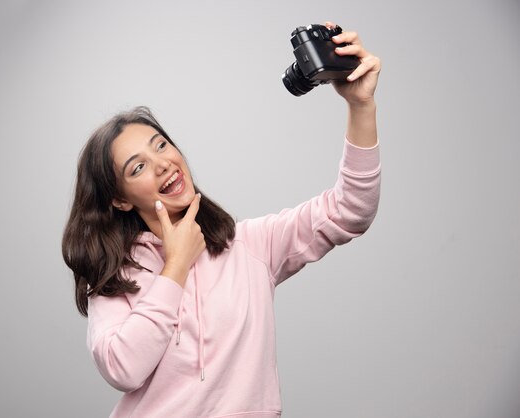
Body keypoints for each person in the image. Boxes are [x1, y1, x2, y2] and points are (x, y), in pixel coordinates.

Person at [62, 21, 381, 418]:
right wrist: (175, 267)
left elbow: (351, 210)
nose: (163, 164)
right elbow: (123, 368)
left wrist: (360, 105)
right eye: (138, 166)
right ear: (120, 200)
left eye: (161, 145)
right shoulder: (115, 276)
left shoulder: (251, 246)